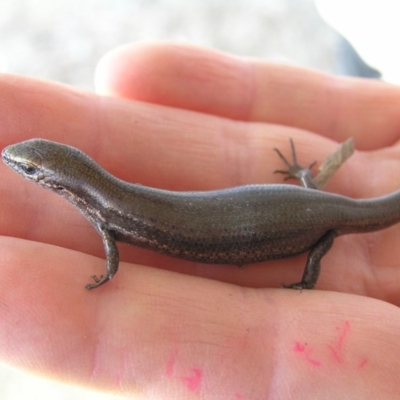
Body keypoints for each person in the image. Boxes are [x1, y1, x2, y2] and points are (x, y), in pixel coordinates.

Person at [1, 42, 400, 399]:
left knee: (320, 244)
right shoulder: (104, 202)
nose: (26, 171)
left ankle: (307, 282)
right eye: (33, 169)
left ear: (60, 180)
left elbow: (113, 253)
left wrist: (108, 274)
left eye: (32, 171)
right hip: (306, 201)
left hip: (308, 222)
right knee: (320, 219)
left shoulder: (105, 214)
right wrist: (304, 176)